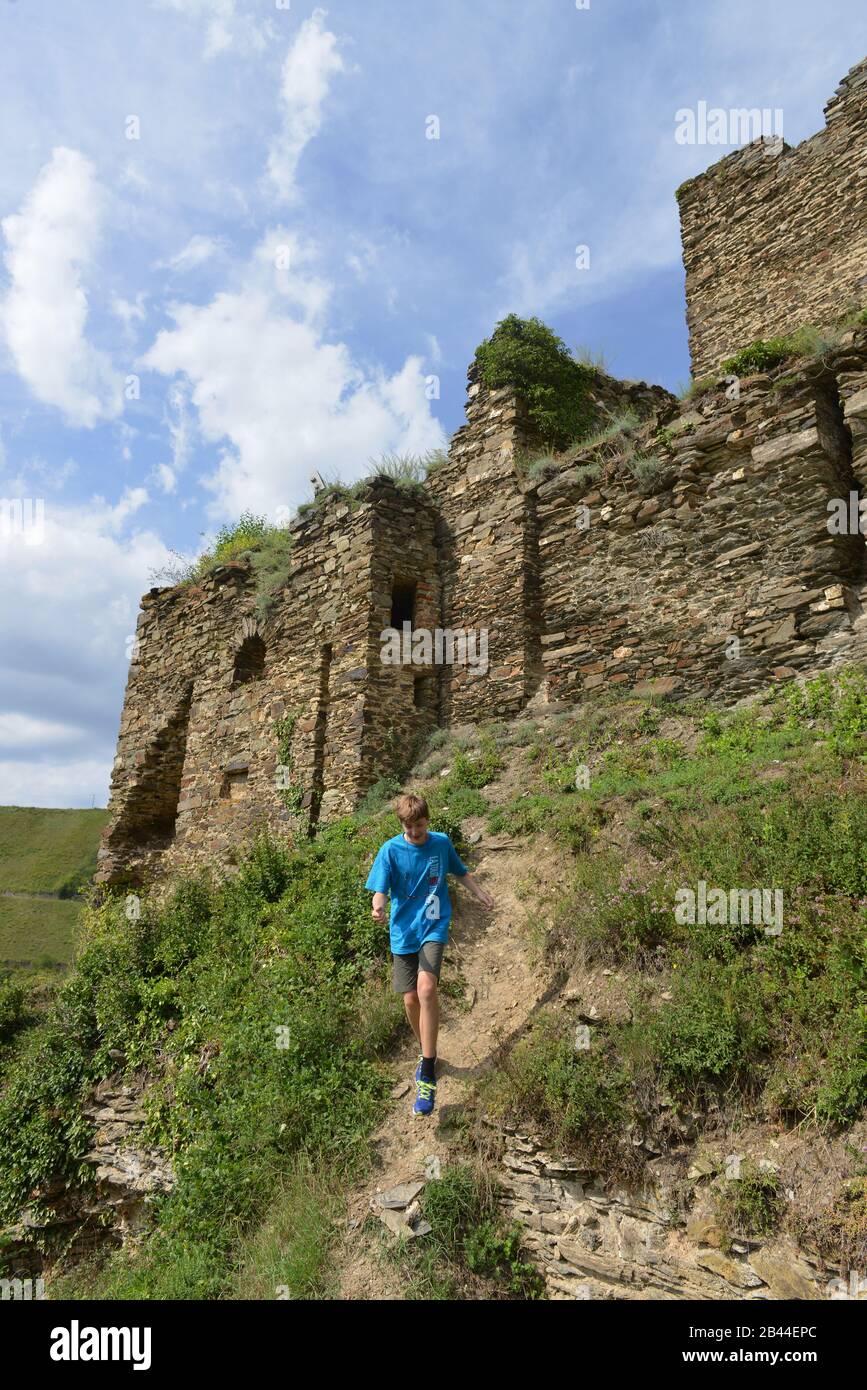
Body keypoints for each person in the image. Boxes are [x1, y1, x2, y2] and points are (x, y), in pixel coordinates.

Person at [366, 793, 495, 1117]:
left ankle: (426, 1070)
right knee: (410, 1000)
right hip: (402, 932)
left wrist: (479, 892)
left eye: (419, 825)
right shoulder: (390, 850)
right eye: (409, 827)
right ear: (402, 825)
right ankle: (429, 1053)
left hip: (434, 925)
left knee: (426, 989)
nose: (414, 832)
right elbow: (380, 889)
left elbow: (460, 871)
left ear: (428, 820)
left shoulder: (440, 843)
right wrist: (378, 905)